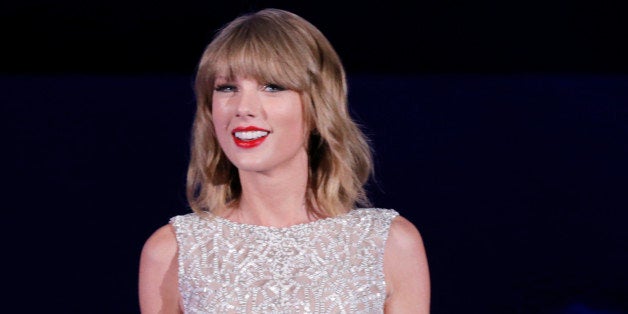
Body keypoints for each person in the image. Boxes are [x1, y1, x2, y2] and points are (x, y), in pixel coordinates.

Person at [139, 8, 430, 313]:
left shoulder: (389, 244)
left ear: (318, 106)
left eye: (272, 86)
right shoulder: (174, 251)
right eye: (227, 88)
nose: (243, 107)